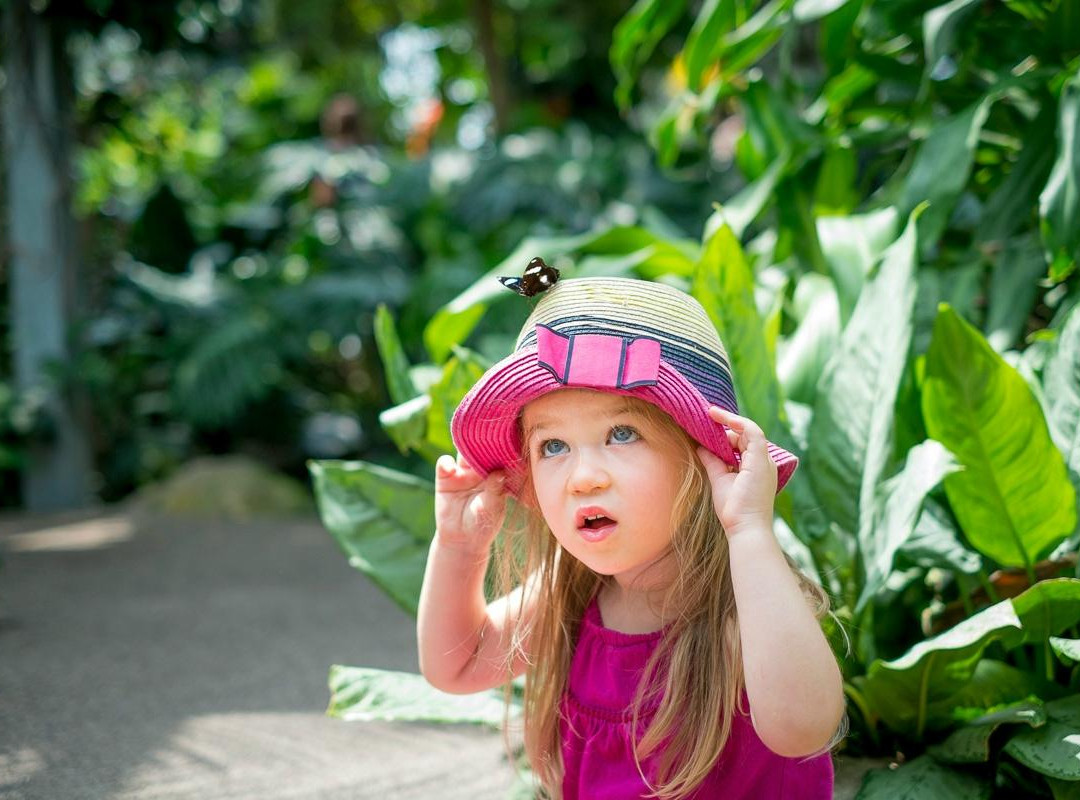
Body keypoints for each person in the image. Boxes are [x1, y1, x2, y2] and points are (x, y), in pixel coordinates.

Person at [417, 274, 847, 799]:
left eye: (622, 434)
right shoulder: (569, 598)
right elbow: (455, 666)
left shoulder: (744, 612)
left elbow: (804, 727)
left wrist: (749, 531)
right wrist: (460, 549)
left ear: (702, 459)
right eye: (553, 446)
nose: (583, 476)